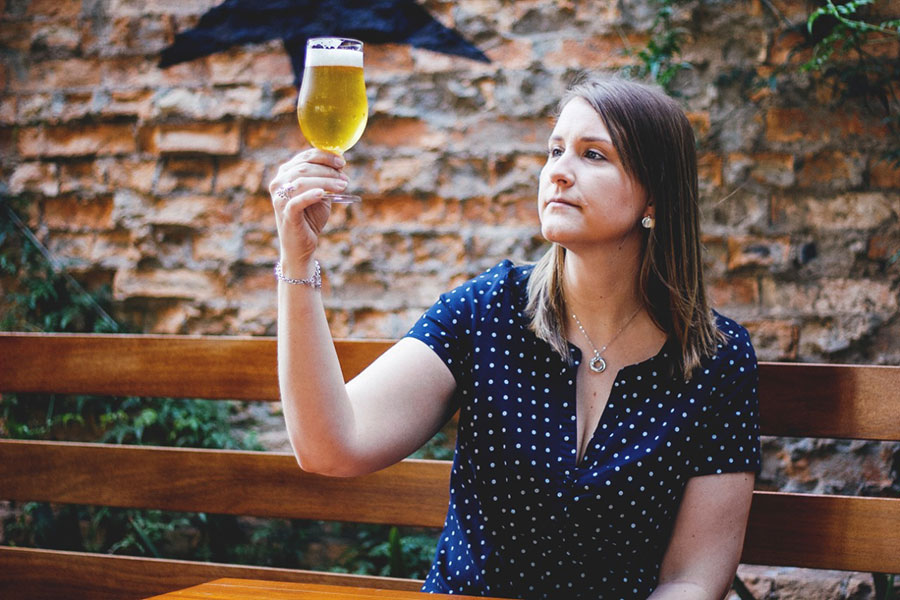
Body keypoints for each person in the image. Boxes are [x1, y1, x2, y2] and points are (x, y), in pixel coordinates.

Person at [269, 73, 761, 600]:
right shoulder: (489, 310)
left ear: (655, 198)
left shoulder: (715, 359)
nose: (559, 173)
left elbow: (693, 579)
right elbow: (331, 447)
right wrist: (298, 263)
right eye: (555, 151)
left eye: (593, 155)